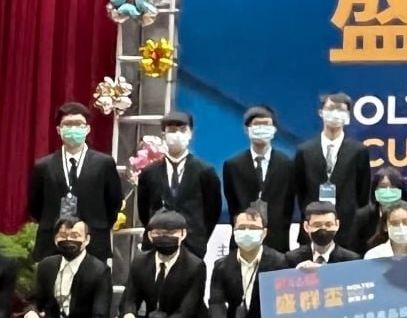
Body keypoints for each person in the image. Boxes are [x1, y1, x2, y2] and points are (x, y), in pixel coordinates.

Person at [28, 102, 123, 260]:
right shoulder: (43, 166)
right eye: (68, 124)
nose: (73, 129)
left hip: (93, 243)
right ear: (59, 130)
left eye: (79, 124)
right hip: (52, 243)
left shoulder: (104, 163)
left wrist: (95, 223)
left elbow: (113, 203)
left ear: (87, 129)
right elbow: (35, 207)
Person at [136, 110, 222, 259]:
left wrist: (198, 236)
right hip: (156, 245)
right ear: (163, 134)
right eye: (171, 130)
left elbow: (212, 212)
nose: (177, 135)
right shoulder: (149, 173)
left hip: (192, 247)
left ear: (190, 133)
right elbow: (143, 210)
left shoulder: (205, 171)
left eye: (182, 130)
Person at [293, 92, 372, 252]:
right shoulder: (305, 151)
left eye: (340, 109)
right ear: (321, 112)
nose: (335, 113)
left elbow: (363, 194)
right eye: (330, 108)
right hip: (312, 229)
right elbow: (300, 192)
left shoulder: (359, 151)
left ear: (348, 115)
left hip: (348, 232)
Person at [223, 105, 295, 253]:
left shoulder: (287, 165)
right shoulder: (233, 165)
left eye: (266, 124)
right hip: (243, 241)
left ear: (274, 129)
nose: (262, 128)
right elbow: (233, 205)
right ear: (247, 129)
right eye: (257, 124)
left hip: (277, 243)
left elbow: (288, 205)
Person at [350, 166, 407, 256]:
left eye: (393, 186)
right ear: (374, 190)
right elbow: (355, 248)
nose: (388, 191)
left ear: (401, 189)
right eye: (383, 186)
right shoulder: (363, 216)